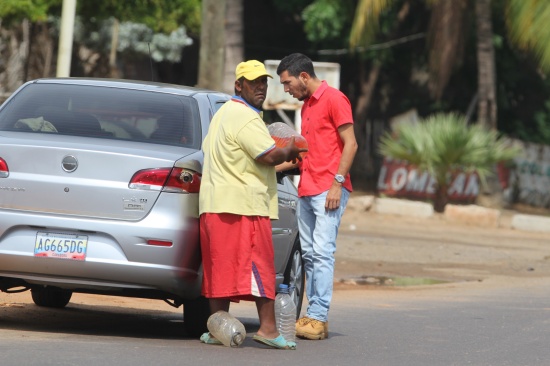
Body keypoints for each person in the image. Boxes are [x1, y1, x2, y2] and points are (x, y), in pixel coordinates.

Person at [198, 60, 306, 350]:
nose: (260, 87)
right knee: (259, 268)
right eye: (253, 82)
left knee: (219, 268)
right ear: (238, 85)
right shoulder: (246, 117)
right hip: (244, 205)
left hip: (214, 205)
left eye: (264, 82)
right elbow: (269, 155)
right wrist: (293, 148)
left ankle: (217, 328)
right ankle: (269, 330)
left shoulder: (221, 115)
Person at [276, 53, 358, 340]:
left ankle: (318, 316)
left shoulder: (335, 99)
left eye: (287, 83)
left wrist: (337, 183)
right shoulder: (307, 106)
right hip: (307, 188)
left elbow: (351, 144)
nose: (286, 90)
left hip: (329, 190)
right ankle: (313, 315)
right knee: (309, 254)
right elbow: (306, 154)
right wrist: (273, 166)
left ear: (304, 77)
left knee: (322, 253)